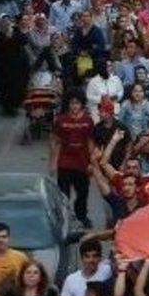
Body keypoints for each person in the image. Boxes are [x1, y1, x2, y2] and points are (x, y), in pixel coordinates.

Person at [51, 91, 95, 227]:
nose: (74, 106)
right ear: (68, 104)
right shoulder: (61, 120)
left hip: (82, 163)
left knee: (83, 193)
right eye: (72, 103)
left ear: (82, 104)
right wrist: (53, 163)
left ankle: (81, 216)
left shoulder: (88, 121)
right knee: (64, 195)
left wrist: (92, 163)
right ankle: (64, 219)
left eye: (77, 103)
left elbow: (90, 142)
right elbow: (55, 142)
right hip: (65, 163)